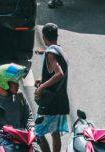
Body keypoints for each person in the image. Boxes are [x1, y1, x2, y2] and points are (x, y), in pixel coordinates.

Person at [34, 22, 70, 152]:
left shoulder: (50, 53)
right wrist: (43, 80)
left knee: (38, 132)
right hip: (60, 99)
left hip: (50, 103)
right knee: (55, 133)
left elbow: (59, 73)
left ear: (44, 37)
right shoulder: (60, 50)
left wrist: (42, 86)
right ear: (56, 36)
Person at [0, 64, 32, 152]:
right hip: (0, 142)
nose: (18, 85)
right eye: (15, 83)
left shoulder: (19, 96)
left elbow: (28, 116)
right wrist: (3, 141)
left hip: (22, 140)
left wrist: (32, 130)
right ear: (5, 83)